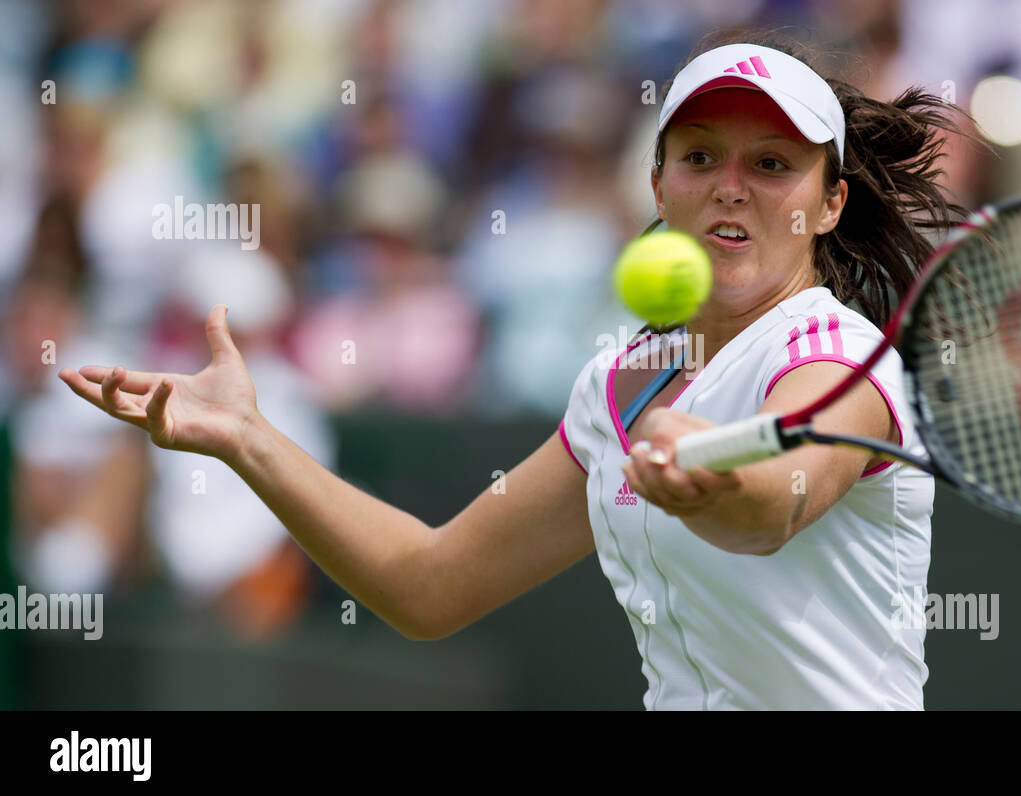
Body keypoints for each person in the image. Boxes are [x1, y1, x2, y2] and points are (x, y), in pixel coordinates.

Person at [59, 32, 966, 710]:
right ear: (658, 186)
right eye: (700, 158)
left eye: (773, 165)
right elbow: (430, 583)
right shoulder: (621, 385)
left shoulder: (839, 357)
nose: (731, 185)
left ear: (829, 202)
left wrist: (710, 477)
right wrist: (250, 440)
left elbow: (775, 500)